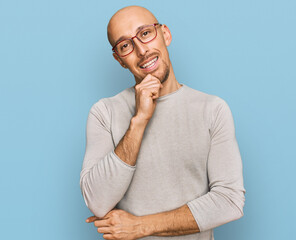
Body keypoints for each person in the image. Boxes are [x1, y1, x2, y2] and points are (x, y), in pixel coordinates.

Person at [80, 5, 245, 240]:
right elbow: (97, 202)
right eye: (126, 45)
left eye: (145, 33)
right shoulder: (104, 113)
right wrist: (139, 121)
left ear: (165, 34)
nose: (141, 50)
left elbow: (230, 201)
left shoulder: (212, 109)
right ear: (119, 59)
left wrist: (140, 226)